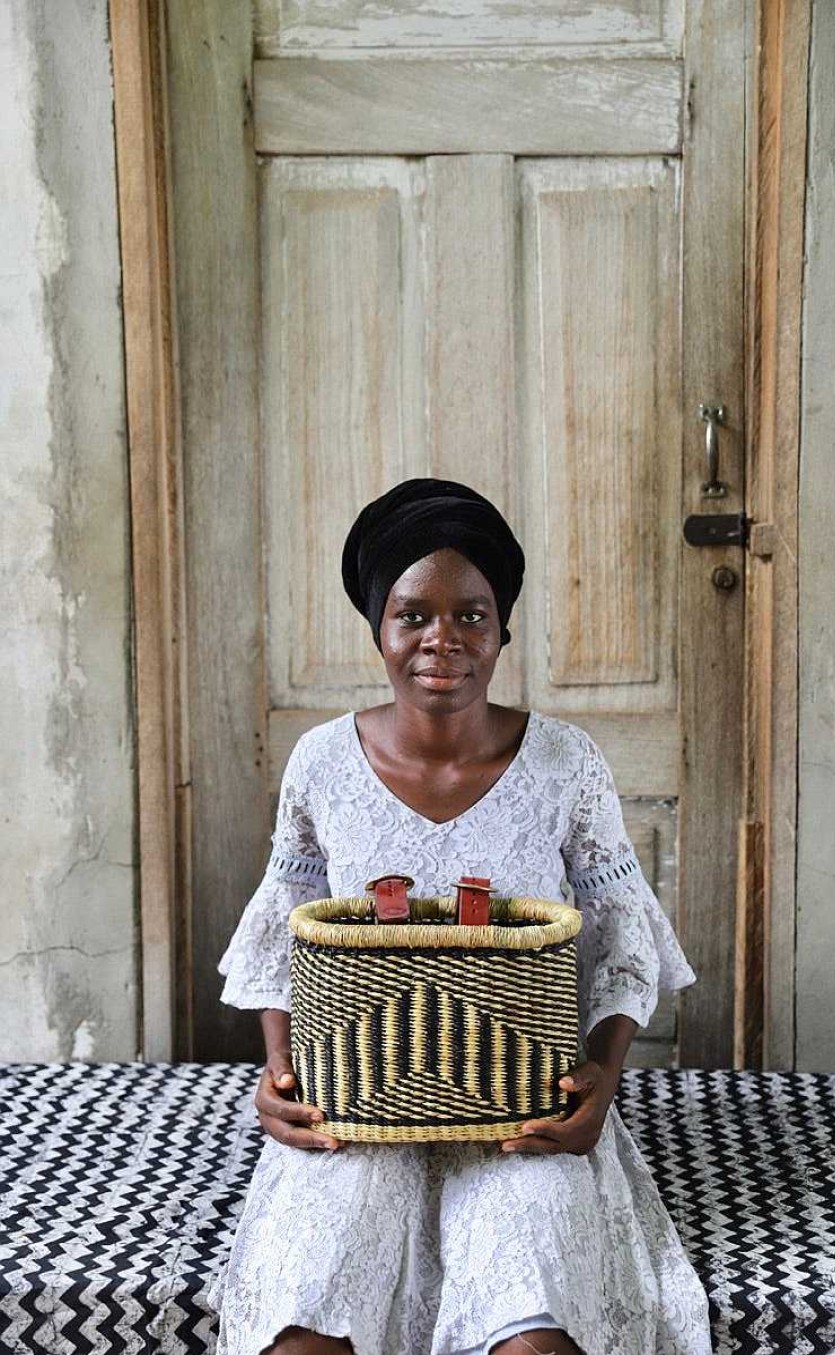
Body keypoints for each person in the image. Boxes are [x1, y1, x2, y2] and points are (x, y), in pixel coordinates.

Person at [209, 479, 712, 1355]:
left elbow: (625, 932)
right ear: (377, 627)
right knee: (302, 1329)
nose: (442, 638)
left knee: (535, 1333)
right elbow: (281, 928)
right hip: (357, 1106)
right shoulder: (321, 762)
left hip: (521, 1106)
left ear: (502, 628)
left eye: (471, 615)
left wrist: (601, 1079)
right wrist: (282, 1075)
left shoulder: (565, 761)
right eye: (413, 614)